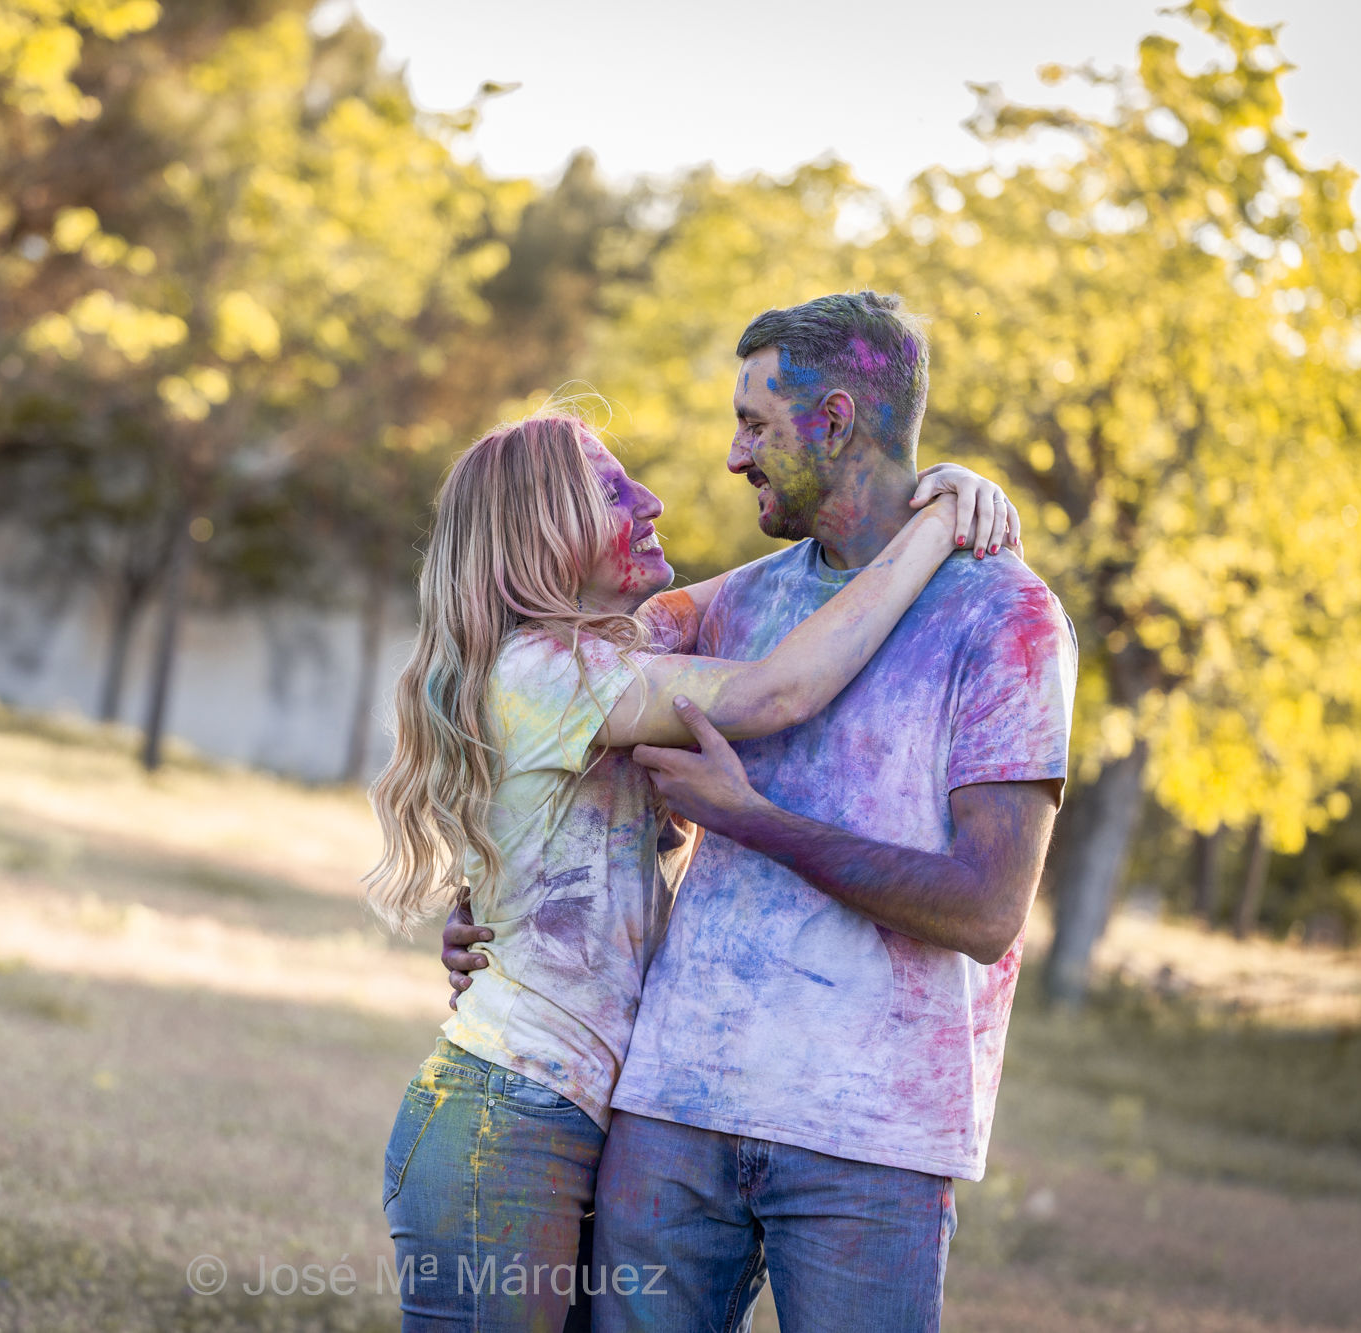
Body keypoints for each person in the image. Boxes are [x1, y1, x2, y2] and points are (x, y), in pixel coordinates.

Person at [445, 293, 1077, 1332]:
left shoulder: (1003, 617)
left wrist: (751, 817)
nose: (732, 456)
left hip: (869, 1140)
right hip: (668, 1113)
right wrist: (491, 908)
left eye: (754, 424)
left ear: (832, 420)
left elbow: (984, 911)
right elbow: (539, 734)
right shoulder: (726, 605)